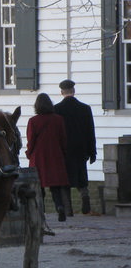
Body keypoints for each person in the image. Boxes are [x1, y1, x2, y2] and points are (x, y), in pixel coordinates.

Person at [54, 79, 97, 215]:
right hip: (81, 149)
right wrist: (92, 152)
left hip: (65, 150)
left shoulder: (56, 110)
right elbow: (90, 131)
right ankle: (85, 198)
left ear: (61, 92)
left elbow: (56, 134)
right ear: (74, 91)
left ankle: (68, 210)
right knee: (81, 178)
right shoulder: (85, 108)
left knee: (65, 181)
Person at [26, 93, 70, 222]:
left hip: (38, 156)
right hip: (55, 154)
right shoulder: (58, 119)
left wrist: (29, 153)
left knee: (38, 186)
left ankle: (41, 211)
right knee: (55, 187)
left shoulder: (33, 121)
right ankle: (60, 207)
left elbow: (31, 140)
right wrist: (63, 153)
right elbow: (63, 139)